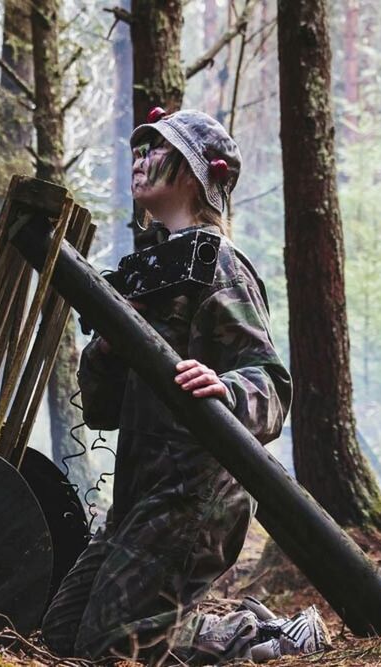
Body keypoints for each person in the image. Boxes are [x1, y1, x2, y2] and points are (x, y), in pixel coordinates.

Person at [39, 109, 330, 664]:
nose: (140, 161)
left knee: (111, 644)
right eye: (137, 151)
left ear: (195, 176)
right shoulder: (150, 271)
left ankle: (267, 640)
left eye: (156, 151)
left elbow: (270, 381)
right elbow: (101, 410)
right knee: (61, 634)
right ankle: (245, 625)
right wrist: (108, 346)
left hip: (196, 496)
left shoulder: (218, 264)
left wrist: (224, 387)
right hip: (139, 496)